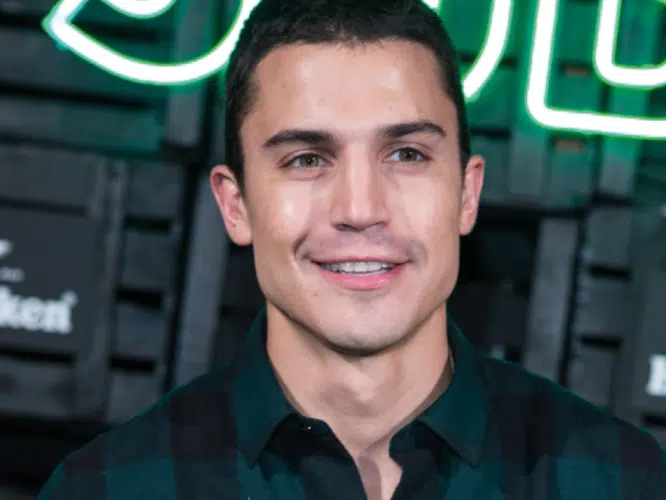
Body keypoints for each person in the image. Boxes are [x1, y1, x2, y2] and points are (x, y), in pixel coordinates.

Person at [39, 0, 666, 498]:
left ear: (466, 194)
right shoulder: (109, 488)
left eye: (407, 154)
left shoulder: (622, 483)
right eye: (307, 159)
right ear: (236, 205)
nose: (361, 209)